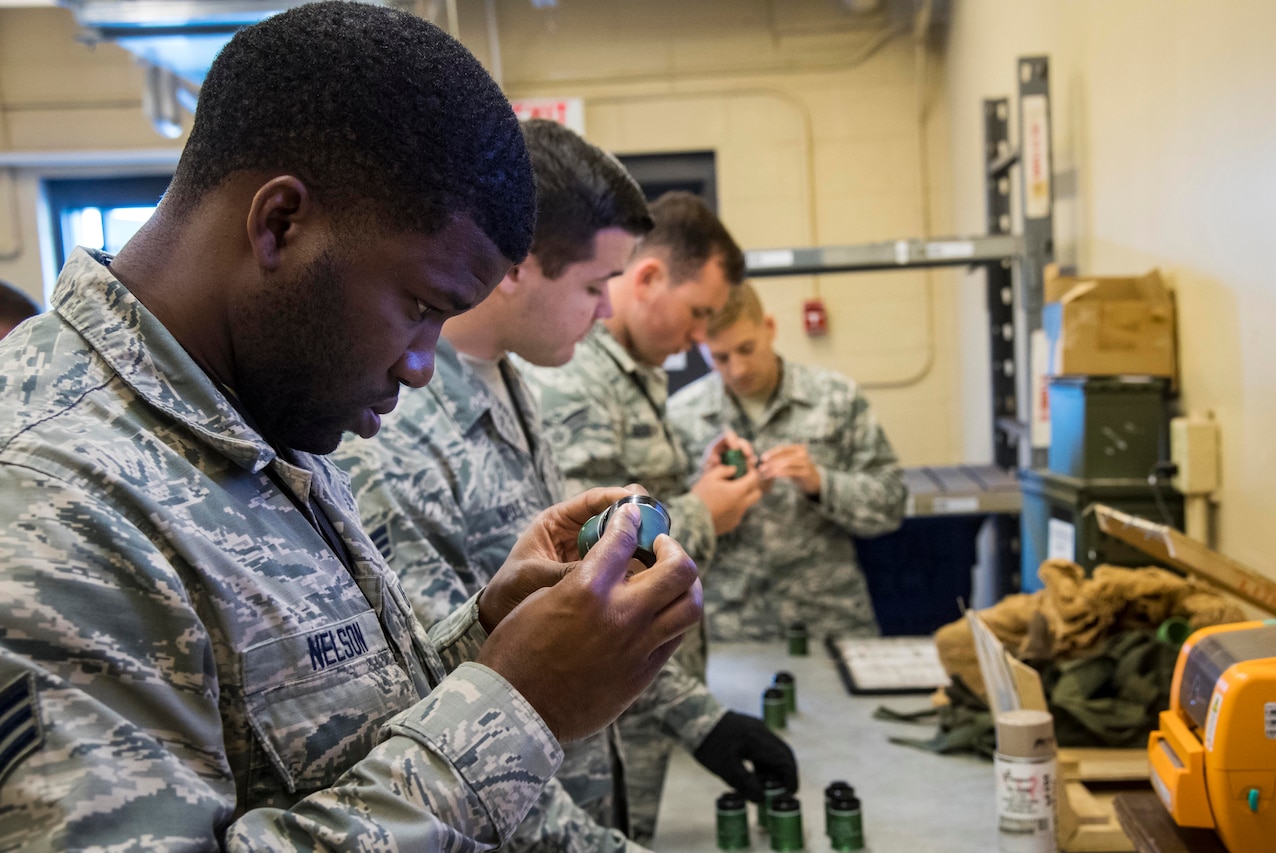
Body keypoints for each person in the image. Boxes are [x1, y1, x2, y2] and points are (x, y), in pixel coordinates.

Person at [0, 5, 702, 850]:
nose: (420, 365)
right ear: (281, 224)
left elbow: (316, 742)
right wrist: (518, 706)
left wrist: (487, 638)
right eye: (418, 306)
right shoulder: (39, 497)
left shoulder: (260, 404)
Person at [335, 118, 795, 851]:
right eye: (595, 283)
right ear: (513, 264)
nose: (609, 309)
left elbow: (584, 613)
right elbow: (449, 716)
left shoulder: (515, 384)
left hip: (581, 786)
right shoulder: (399, 438)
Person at [521, 190, 769, 843]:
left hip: (643, 699)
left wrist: (699, 482)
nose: (699, 337)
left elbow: (637, 497)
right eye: (697, 314)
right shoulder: (575, 378)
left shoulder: (637, 373)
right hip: (606, 712)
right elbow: (592, 556)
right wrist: (703, 512)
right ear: (651, 278)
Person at [668, 281, 907, 640]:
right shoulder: (681, 415)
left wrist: (821, 484)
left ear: (770, 327)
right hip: (730, 630)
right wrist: (702, 494)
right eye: (720, 357)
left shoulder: (835, 398)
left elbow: (892, 503)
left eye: (746, 348)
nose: (738, 369)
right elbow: (656, 535)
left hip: (831, 619)